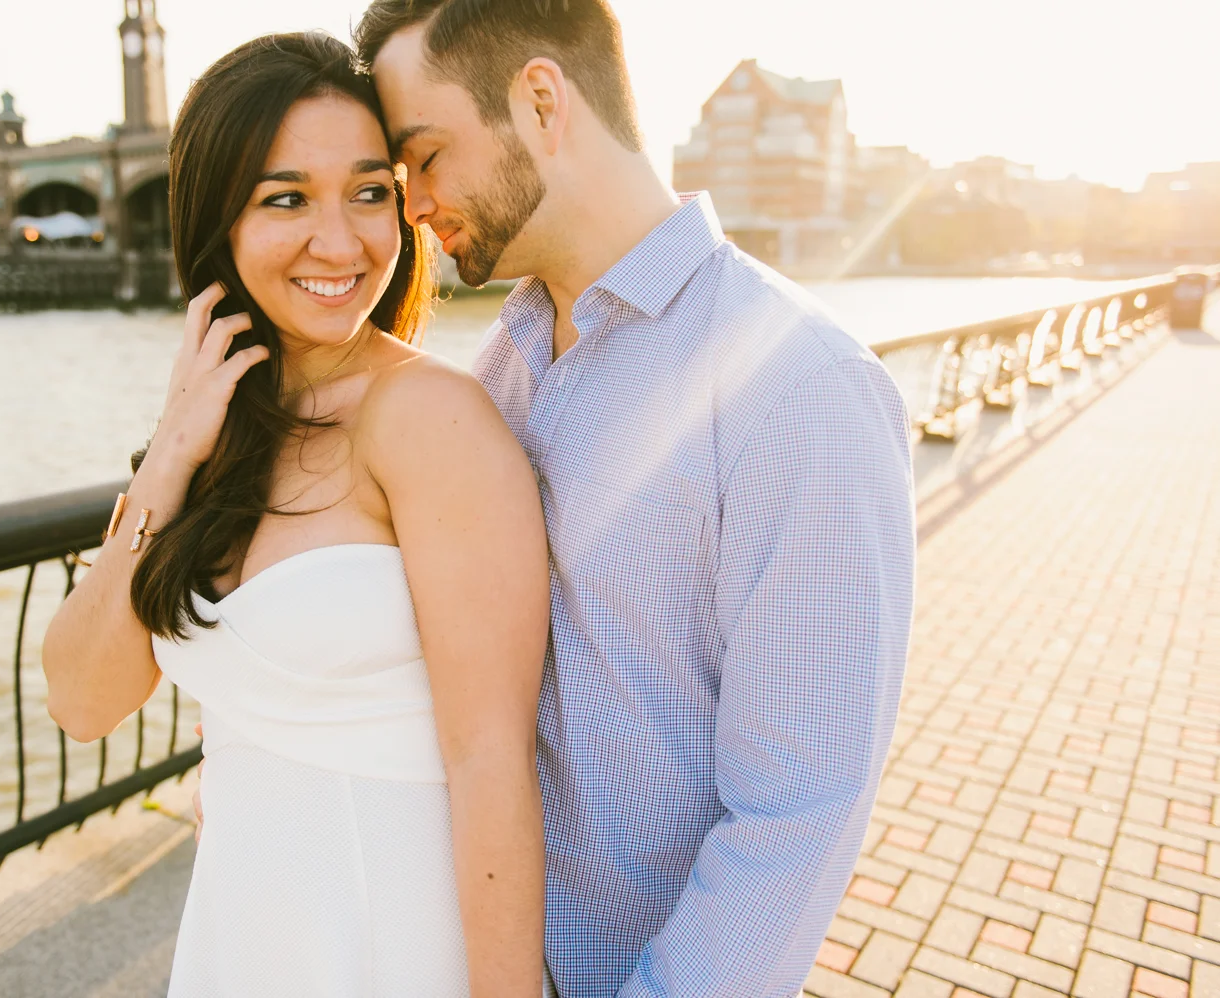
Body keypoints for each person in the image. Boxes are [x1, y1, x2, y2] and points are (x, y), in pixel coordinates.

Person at [354, 1, 916, 995]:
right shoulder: (499, 371)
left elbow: (797, 817)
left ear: (540, 101)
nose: (414, 205)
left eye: (426, 157)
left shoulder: (802, 385)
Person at [41, 33, 550, 998]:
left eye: (368, 192)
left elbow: (493, 766)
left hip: (393, 949)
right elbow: (82, 700)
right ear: (218, 220)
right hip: (239, 944)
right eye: (286, 199)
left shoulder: (430, 419)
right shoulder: (216, 430)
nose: (341, 242)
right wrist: (171, 454)